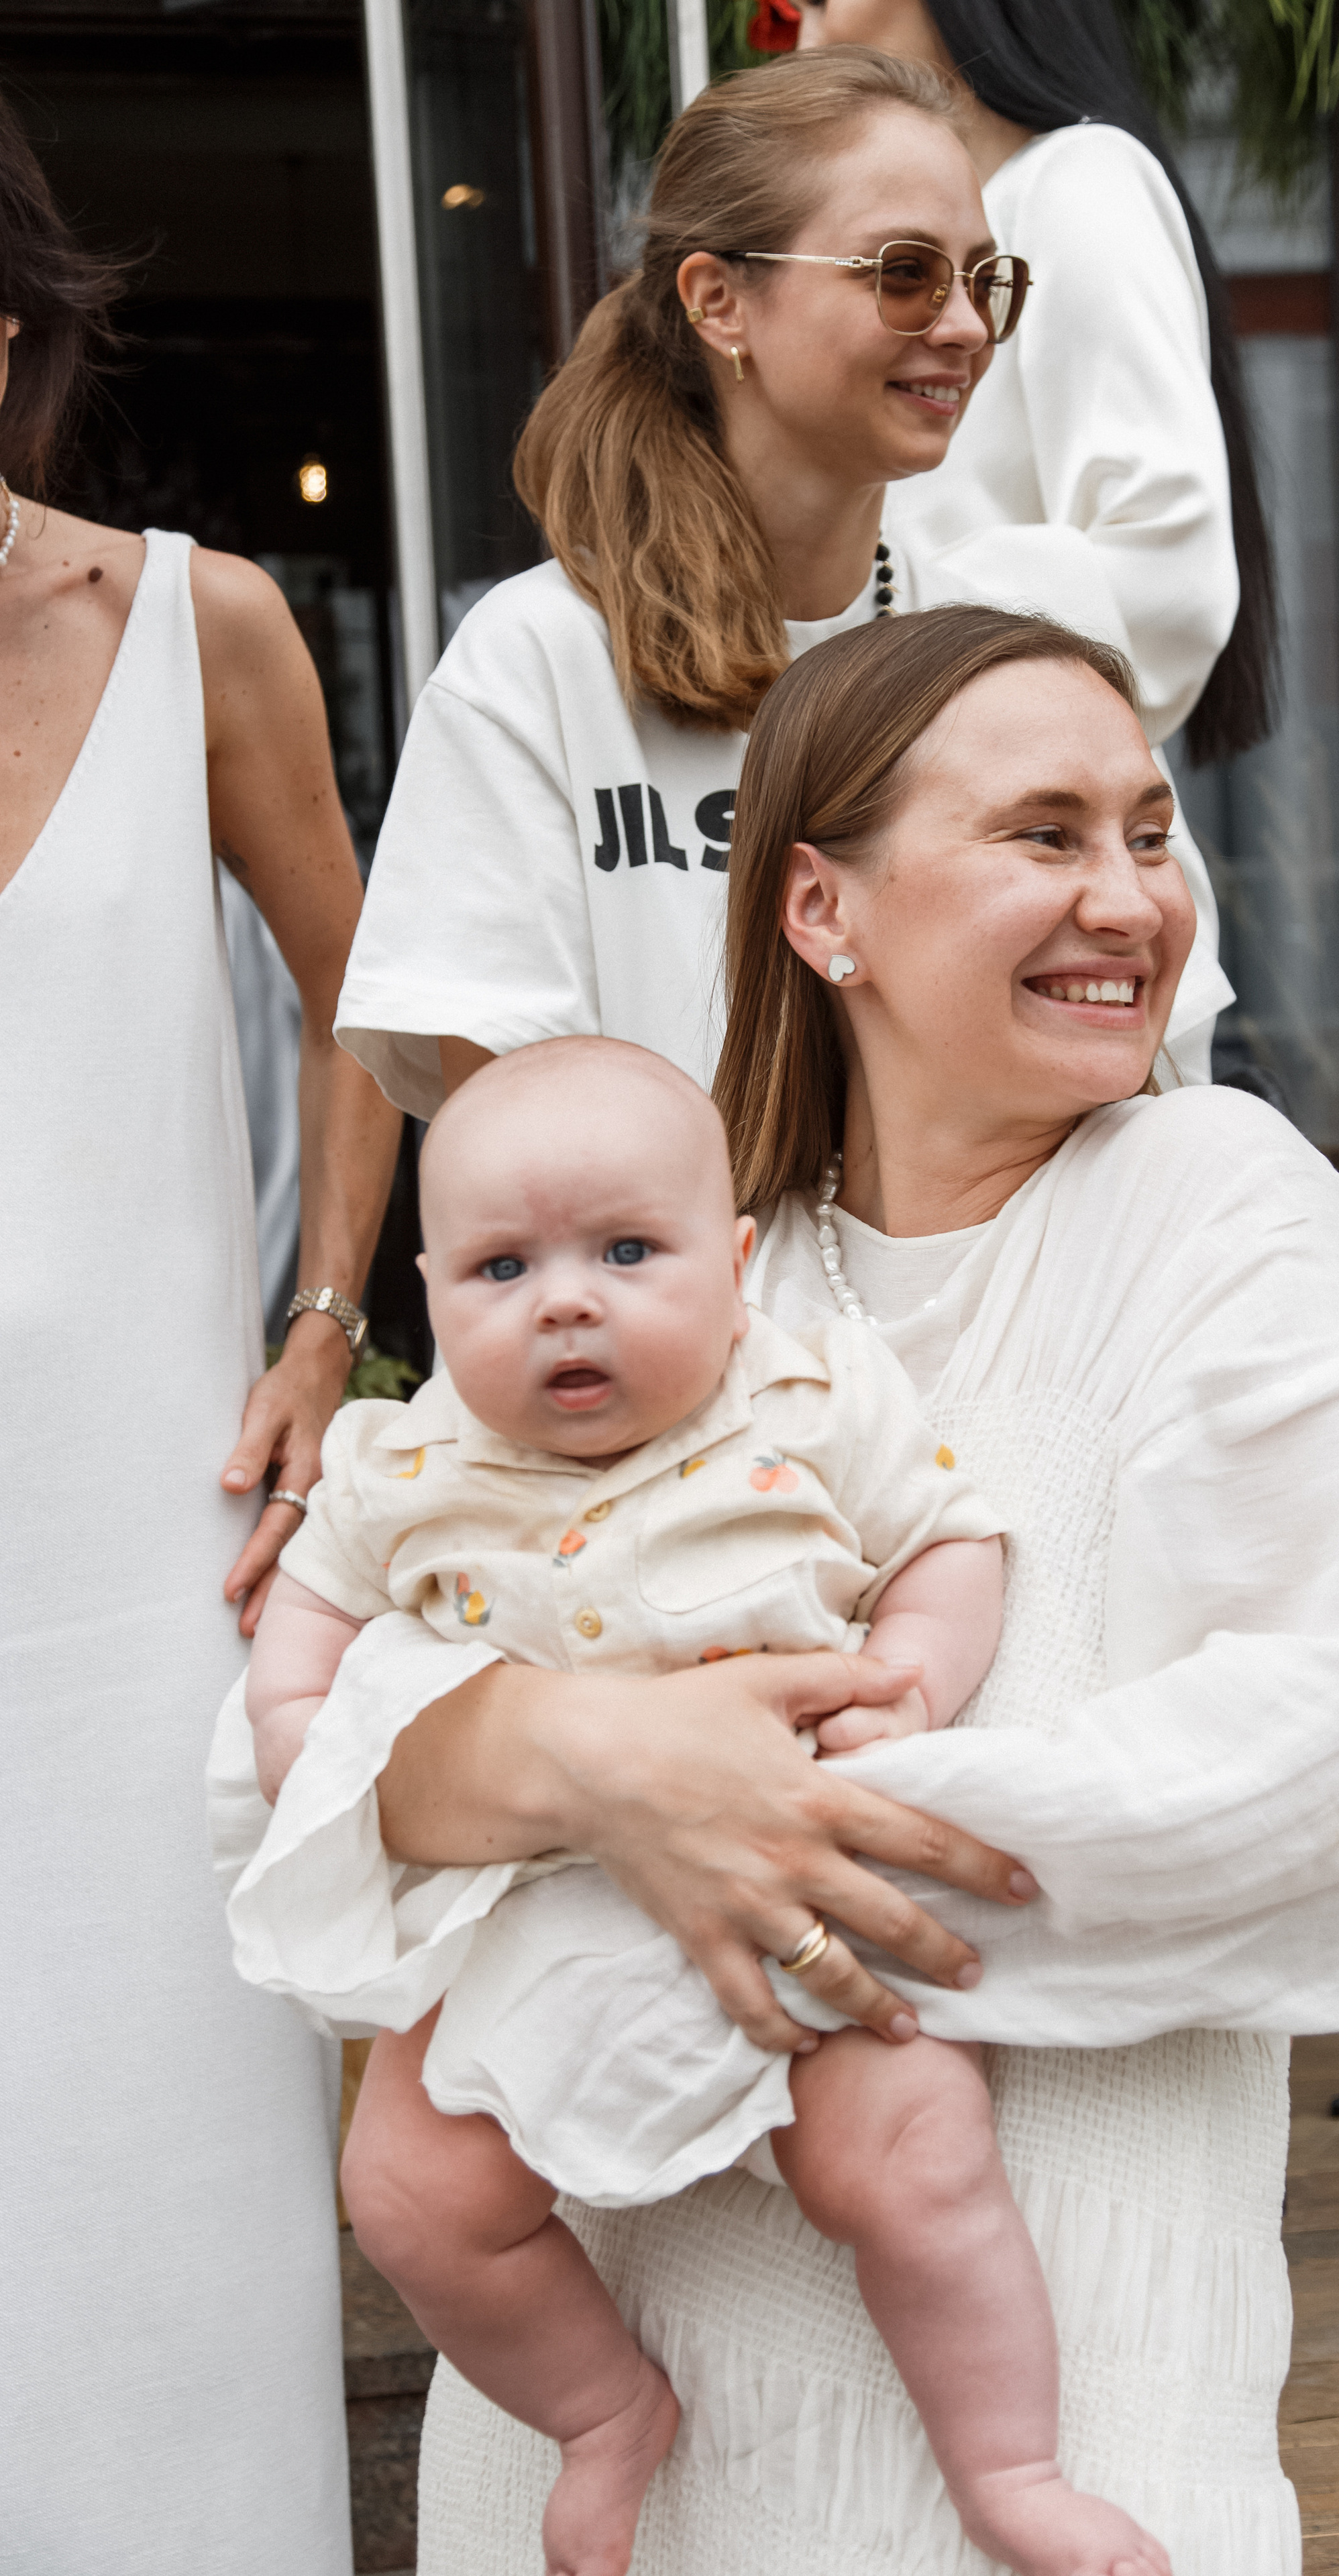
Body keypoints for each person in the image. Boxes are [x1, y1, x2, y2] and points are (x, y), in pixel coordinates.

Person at [211, 605, 1339, 2575]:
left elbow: (1336, 1761)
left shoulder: (1225, 1210)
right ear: (823, 908)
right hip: (602, 2442)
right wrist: (590, 1760)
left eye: (1151, 833)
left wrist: (710, 1834)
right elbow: (269, 1783)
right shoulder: (678, 1272)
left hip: (1055, 2398)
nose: (1130, 896)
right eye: (1045, 834)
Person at [234, 1034, 1167, 2576]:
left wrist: (910, 1681)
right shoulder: (398, 1467)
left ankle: (1011, 2472)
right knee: (405, 2196)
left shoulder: (809, 1396)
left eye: (625, 1253)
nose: (564, 1302)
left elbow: (948, 1540)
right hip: (528, 1906)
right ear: (429, 1294)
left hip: (794, 1875)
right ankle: (603, 2412)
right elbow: (308, 1631)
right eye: (500, 1269)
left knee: (913, 2161)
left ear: (735, 1269)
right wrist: (296, 1729)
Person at [0, 89, 399, 2574]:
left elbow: (382, 998)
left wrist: (327, 1318)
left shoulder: (196, 624)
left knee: (166, 2183)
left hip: (150, 1556)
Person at [335, 47, 1228, 1122]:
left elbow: (1146, 1080)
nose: (964, 327)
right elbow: (519, 1152)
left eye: (985, 280)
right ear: (719, 302)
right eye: (905, 273)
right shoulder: (540, 662)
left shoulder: (1017, 649)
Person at [797, 0, 1277, 1077]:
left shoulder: (1079, 182)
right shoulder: (1031, 195)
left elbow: (1170, 574)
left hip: (1058, 928)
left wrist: (874, 608)